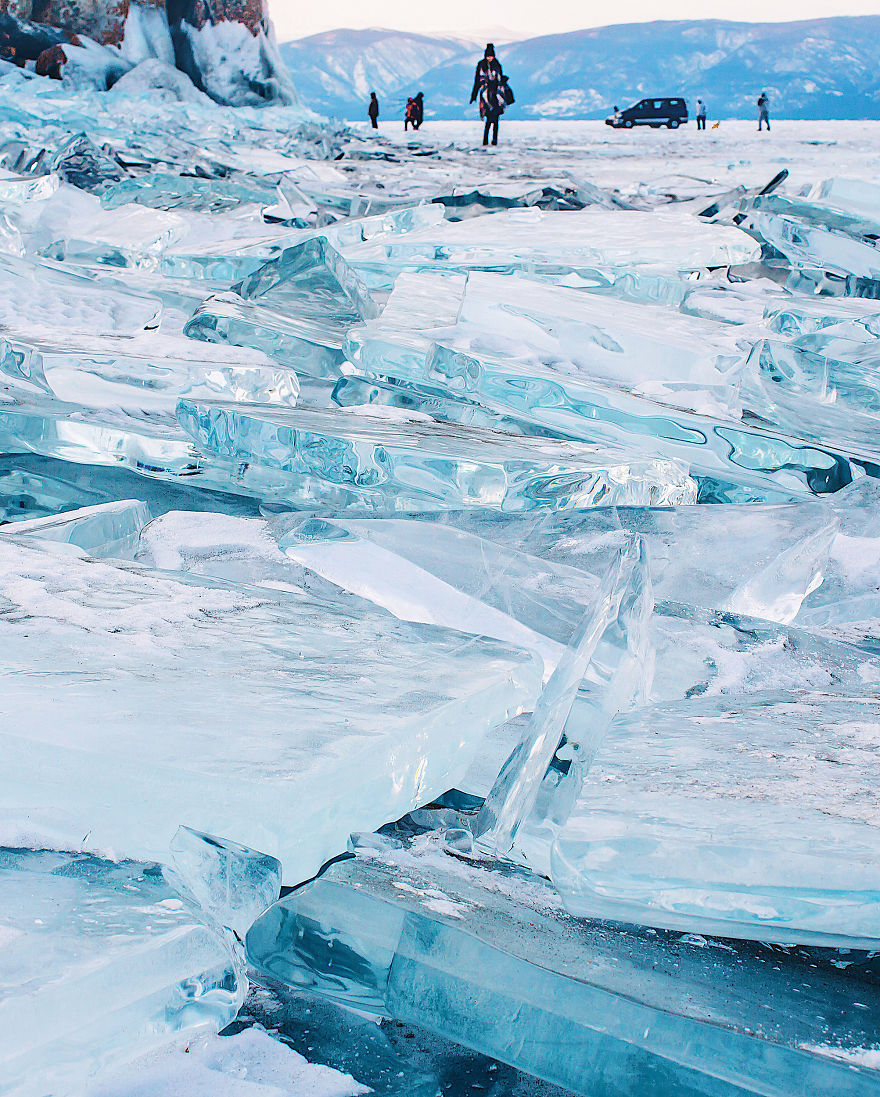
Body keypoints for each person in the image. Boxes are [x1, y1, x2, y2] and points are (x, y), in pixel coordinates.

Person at [469, 43, 506, 146]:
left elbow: (500, 79)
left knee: (496, 120)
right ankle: (485, 141)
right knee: (489, 119)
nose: (489, 58)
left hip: (496, 95)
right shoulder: (481, 65)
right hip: (486, 96)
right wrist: (474, 95)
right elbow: (477, 80)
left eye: (491, 56)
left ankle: (494, 140)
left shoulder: (497, 65)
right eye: (488, 56)